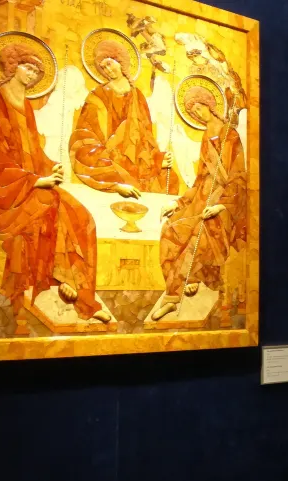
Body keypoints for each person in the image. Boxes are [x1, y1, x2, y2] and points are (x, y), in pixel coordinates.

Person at [0, 42, 110, 325]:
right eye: (27, 66)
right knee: (47, 204)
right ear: (12, 66)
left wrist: (50, 167)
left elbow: (32, 153)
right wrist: (35, 180)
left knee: (81, 215)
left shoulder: (25, 106)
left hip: (26, 184)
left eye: (37, 70)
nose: (32, 73)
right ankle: (57, 279)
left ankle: (78, 289)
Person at [151, 85, 247, 321]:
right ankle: (189, 278)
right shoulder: (206, 138)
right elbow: (200, 180)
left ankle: (172, 298)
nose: (197, 113)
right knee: (171, 229)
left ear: (209, 105)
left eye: (199, 107)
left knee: (199, 235)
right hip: (202, 198)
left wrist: (222, 206)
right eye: (192, 111)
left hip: (226, 204)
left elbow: (238, 178)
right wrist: (178, 203)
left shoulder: (230, 135)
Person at [70, 38, 175, 196]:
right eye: (103, 67)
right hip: (108, 155)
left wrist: (158, 158)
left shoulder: (137, 96)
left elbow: (146, 136)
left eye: (109, 63)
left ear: (120, 61)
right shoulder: (97, 96)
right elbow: (85, 133)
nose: (107, 70)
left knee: (170, 179)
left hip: (134, 157)